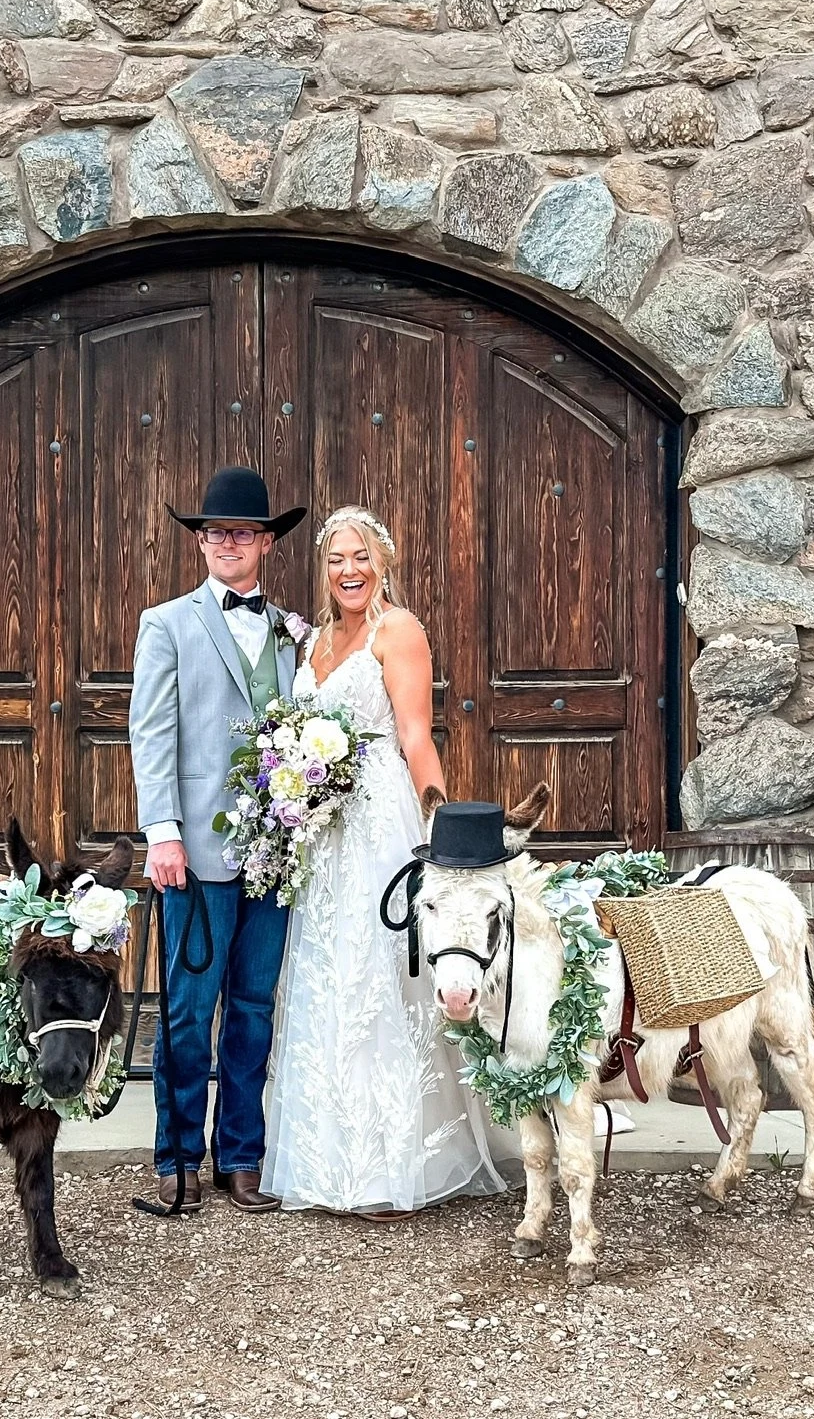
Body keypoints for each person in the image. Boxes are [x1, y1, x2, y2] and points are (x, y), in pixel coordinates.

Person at [260, 506, 505, 1218]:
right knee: (324, 976)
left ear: (384, 561)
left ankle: (396, 1163)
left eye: (360, 556)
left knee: (381, 971)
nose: (348, 570)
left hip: (378, 820)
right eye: (337, 558)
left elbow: (414, 736)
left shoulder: (398, 631)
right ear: (324, 568)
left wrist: (442, 835)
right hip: (322, 833)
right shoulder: (313, 640)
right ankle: (321, 1159)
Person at [128, 466, 308, 1216]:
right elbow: (152, 731)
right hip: (196, 852)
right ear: (201, 542)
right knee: (186, 1011)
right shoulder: (168, 622)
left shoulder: (292, 630)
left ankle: (242, 1154)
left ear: (265, 541)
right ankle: (176, 1156)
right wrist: (162, 832)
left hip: (277, 853)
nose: (226, 543)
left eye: (240, 531)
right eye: (214, 532)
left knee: (255, 1007)